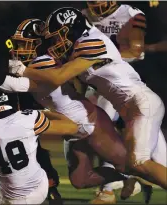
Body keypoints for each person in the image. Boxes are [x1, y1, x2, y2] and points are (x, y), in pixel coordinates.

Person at [10, 7, 167, 191]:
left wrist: (22, 70)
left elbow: (59, 76)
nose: (57, 41)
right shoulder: (79, 45)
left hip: (140, 103)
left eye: (60, 35)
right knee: (128, 166)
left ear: (73, 29)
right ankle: (128, 180)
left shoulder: (92, 41)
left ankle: (121, 185)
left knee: (138, 162)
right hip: (129, 107)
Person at [9, 18, 128, 190]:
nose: (18, 49)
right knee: (81, 180)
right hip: (71, 128)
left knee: (132, 165)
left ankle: (141, 173)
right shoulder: (35, 63)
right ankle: (129, 179)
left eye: (23, 44)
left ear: (38, 44)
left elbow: (22, 84)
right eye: (18, 44)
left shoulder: (42, 63)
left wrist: (5, 72)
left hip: (90, 122)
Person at [82, 1, 148, 203]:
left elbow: (136, 51)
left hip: (119, 81)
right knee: (86, 133)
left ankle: (108, 189)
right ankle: (129, 177)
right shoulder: (82, 15)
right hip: (92, 80)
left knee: (102, 131)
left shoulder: (130, 13)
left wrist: (103, 58)